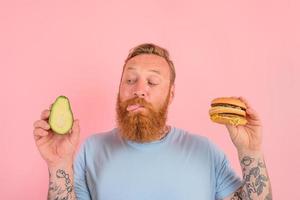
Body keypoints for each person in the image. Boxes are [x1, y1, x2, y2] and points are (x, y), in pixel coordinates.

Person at [33, 43, 272, 200]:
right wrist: (59, 165)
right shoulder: (91, 149)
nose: (139, 90)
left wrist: (250, 152)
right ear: (119, 89)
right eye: (130, 80)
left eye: (152, 82)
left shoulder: (205, 152)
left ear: (171, 94)